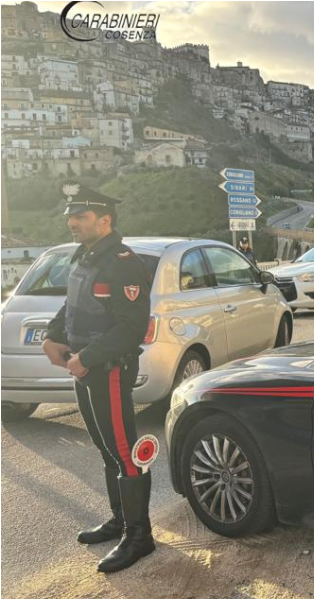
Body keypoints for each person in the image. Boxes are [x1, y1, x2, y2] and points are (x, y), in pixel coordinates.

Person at [41, 182, 154, 573]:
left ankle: (140, 536)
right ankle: (120, 521)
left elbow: (132, 326)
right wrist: (52, 337)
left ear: (105, 220)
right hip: (84, 365)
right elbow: (72, 303)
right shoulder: (86, 255)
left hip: (108, 369)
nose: (72, 222)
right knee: (107, 449)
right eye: (70, 216)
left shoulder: (124, 262)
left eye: (81, 216)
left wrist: (87, 356)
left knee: (125, 452)